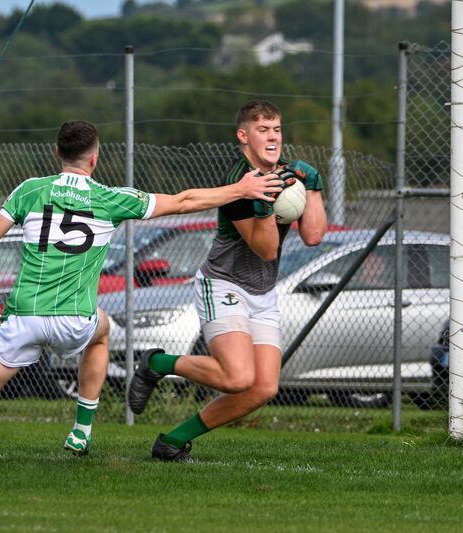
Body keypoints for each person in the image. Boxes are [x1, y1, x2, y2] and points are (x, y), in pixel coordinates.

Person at [0, 120, 287, 471]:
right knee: (102, 333)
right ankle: (82, 430)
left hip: (23, 317)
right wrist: (241, 189)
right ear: (95, 158)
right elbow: (184, 201)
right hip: (77, 318)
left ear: (56, 153)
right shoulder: (111, 198)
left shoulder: (30, 189)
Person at [128, 100, 328, 462]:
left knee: (263, 387)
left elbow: (313, 237)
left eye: (277, 129)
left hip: (263, 291)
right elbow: (266, 248)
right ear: (243, 136)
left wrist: (312, 187)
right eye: (263, 129)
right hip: (223, 285)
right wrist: (266, 204)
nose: (272, 137)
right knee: (237, 377)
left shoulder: (287, 174)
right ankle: (157, 364)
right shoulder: (240, 182)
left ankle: (171, 443)